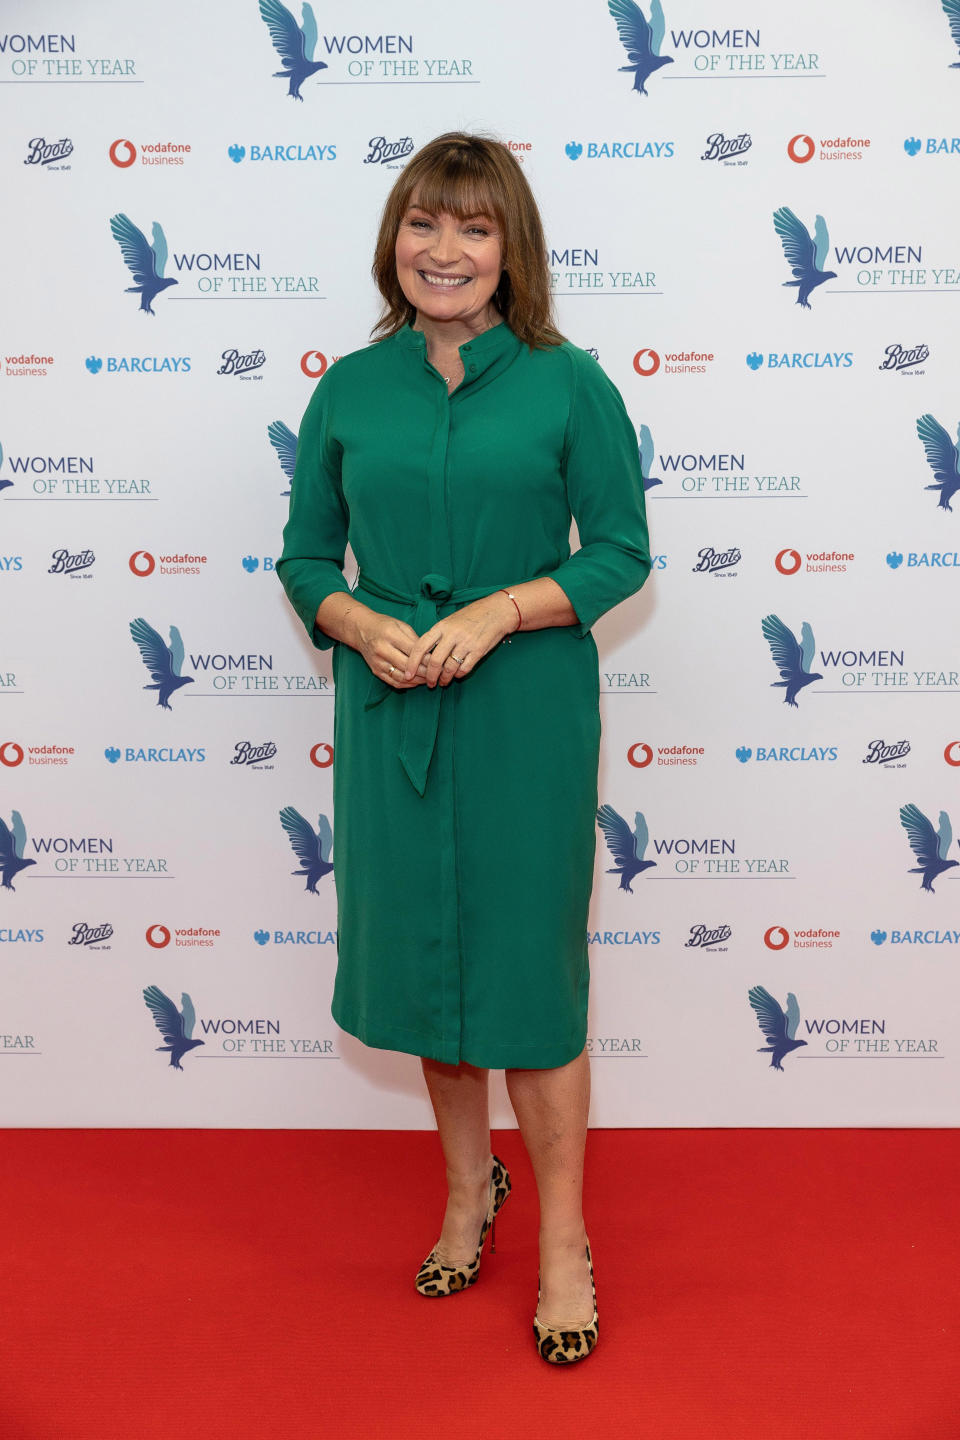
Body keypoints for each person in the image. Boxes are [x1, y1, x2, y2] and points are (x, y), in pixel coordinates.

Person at [277, 132, 650, 1364]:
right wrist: (352, 618)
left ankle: (563, 1246)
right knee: (433, 971)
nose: (446, 251)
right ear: (396, 240)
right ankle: (462, 1194)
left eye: (475, 229)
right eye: (425, 225)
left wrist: (499, 608)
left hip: (525, 714)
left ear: (512, 249)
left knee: (531, 990)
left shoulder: (568, 381)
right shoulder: (351, 385)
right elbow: (301, 557)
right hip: (391, 715)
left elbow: (618, 555)